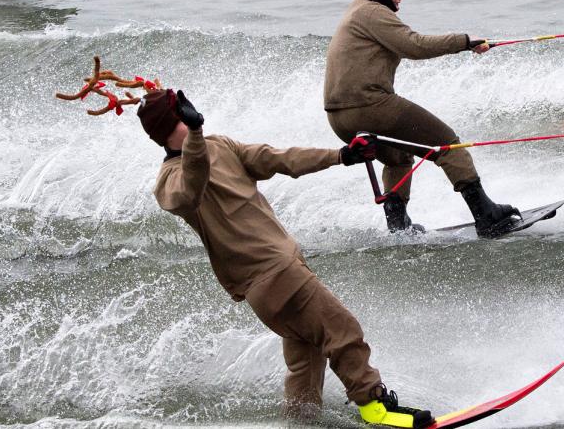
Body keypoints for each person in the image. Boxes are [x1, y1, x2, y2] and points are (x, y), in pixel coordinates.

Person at [137, 86, 433, 428]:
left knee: (305, 362)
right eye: (182, 110)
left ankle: (300, 423)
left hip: (280, 274)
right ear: (174, 120)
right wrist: (196, 135)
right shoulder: (169, 182)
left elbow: (279, 158)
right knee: (343, 331)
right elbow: (193, 184)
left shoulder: (220, 145)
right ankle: (376, 408)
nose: (192, 110)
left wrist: (341, 155)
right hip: (272, 275)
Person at [323, 0, 521, 238]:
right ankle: (485, 215)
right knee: (448, 145)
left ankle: (397, 226)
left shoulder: (356, 10)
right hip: (369, 107)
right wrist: (464, 42)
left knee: (398, 156)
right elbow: (414, 46)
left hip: (339, 119)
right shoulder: (374, 13)